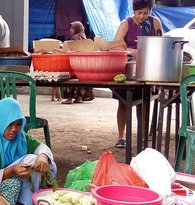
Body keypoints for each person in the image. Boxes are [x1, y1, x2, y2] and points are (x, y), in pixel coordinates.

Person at [97, 0, 162, 148]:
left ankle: (143, 137)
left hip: (148, 69)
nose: (142, 16)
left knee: (145, 103)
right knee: (123, 103)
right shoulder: (126, 24)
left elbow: (160, 43)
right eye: (139, 13)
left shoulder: (155, 23)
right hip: (128, 68)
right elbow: (116, 44)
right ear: (134, 11)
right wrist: (130, 50)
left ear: (150, 11)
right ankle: (121, 136)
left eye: (146, 13)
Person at [61, 21, 93, 104]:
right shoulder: (84, 37)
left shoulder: (74, 37)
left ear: (76, 29)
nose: (70, 30)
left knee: (70, 80)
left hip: (74, 63)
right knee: (79, 81)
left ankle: (69, 98)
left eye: (71, 28)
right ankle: (79, 98)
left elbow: (70, 49)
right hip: (83, 65)